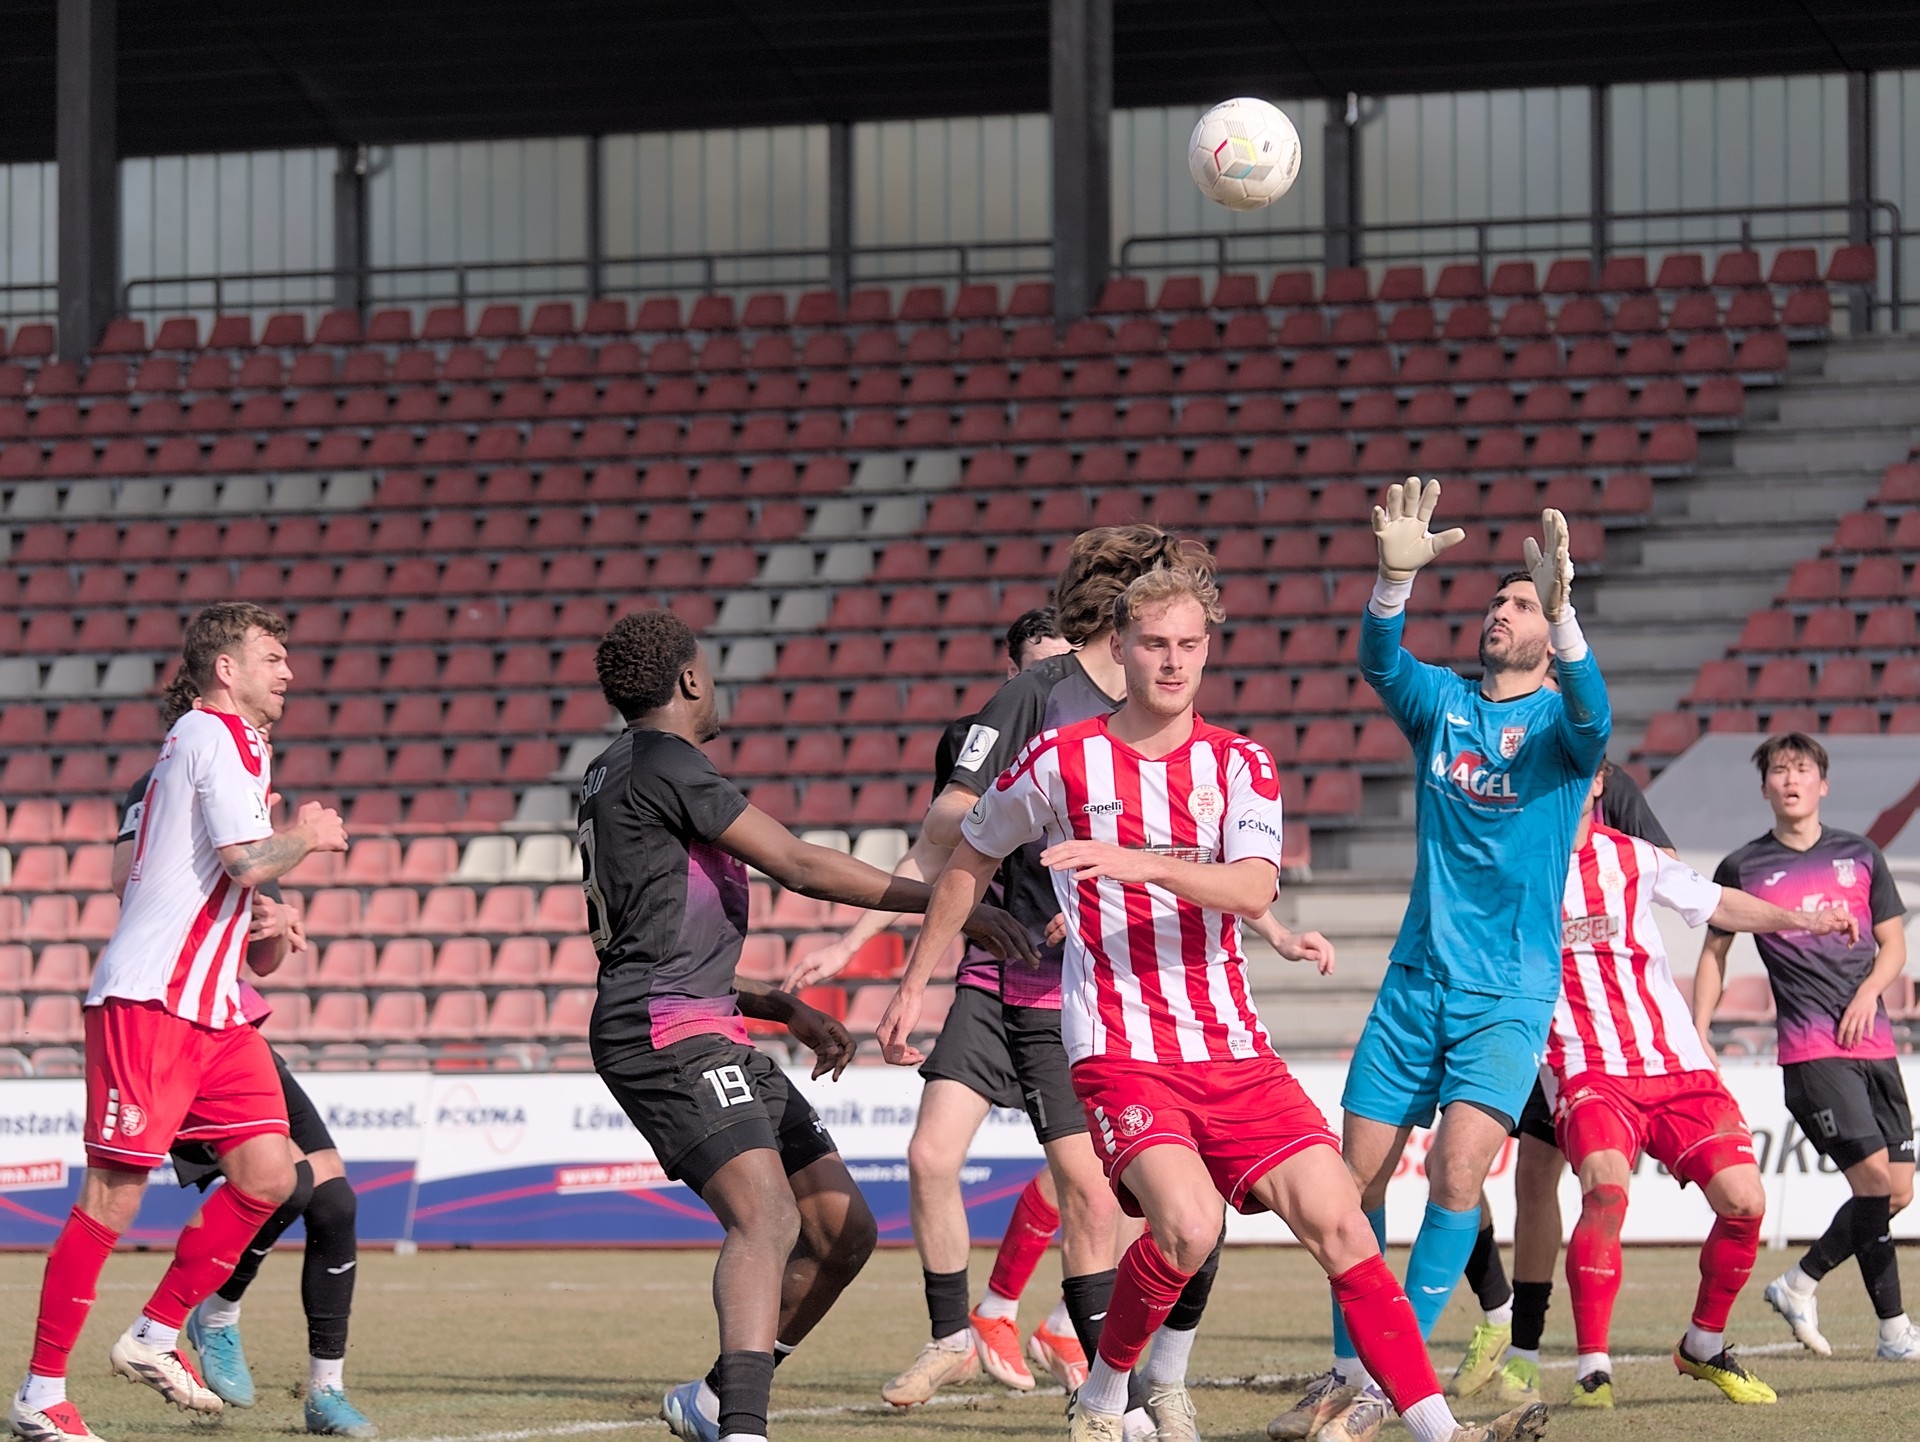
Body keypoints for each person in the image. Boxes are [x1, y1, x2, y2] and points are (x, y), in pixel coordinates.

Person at [879, 560, 1545, 1442]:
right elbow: (969, 852)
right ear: (1120, 647)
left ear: (1206, 650)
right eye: (1154, 643)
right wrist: (916, 981)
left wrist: (1139, 862)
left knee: (1342, 1223)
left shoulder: (1240, 762)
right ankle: (1109, 1394)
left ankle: (1439, 1434)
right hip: (1119, 1046)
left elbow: (1254, 884)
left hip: (1232, 1048)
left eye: (1189, 644)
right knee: (1188, 1227)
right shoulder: (1059, 759)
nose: (1172, 661)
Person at [581, 609, 1035, 1442]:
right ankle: (744, 1428)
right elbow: (799, 864)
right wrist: (952, 902)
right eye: (708, 670)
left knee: (840, 1229)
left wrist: (783, 1005)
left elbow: (657, 937)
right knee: (767, 1217)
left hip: (701, 1018)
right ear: (689, 678)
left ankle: (711, 1400)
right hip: (667, 1031)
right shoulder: (668, 763)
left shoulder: (615, 770)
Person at [815, 527, 1227, 1437]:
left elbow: (1192, 850)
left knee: (1111, 1201)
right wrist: (872, 954)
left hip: (1093, 992)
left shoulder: (1159, 712)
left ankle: (1108, 1376)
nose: (1173, 644)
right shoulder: (1033, 698)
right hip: (1002, 974)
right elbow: (945, 835)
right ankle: (972, 1339)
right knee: (942, 1159)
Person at [1276, 480, 1608, 1442]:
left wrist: (1568, 619)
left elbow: (1596, 718)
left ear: (1547, 628)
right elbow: (1380, 662)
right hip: (1414, 985)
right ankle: (1347, 1372)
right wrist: (1392, 582)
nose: (1500, 613)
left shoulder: (1561, 732)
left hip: (1507, 995)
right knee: (1350, 1185)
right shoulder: (1445, 706)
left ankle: (1391, 1386)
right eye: (1498, 601)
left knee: (1459, 1176)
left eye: (1520, 605)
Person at [10, 603, 349, 1442]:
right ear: (226, 668)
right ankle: (40, 1393)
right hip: (152, 1001)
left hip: (214, 1011)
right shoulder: (207, 733)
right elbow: (244, 859)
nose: (289, 671)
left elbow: (228, 875)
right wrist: (306, 835)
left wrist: (267, 916)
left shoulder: (241, 746)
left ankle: (157, 1333)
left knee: (271, 1176)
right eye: (273, 656)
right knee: (112, 1197)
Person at [784, 608, 1092, 1397]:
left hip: (1077, 992)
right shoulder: (971, 744)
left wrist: (1098, 907)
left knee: (1093, 1186)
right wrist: (850, 947)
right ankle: (955, 1336)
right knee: (928, 1157)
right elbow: (931, 855)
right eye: (1038, 668)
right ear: (1010, 675)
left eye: (1063, 664)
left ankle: (1070, 1333)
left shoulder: (1106, 739)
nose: (1051, 681)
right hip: (991, 980)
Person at [109, 670, 375, 1438]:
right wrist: (272, 867)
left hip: (237, 1022)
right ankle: (210, 1316)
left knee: (335, 1202)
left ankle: (324, 1391)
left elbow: (259, 960)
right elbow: (130, 892)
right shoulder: (156, 787)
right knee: (283, 1185)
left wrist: (274, 926)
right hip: (179, 1024)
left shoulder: (250, 793)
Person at [1546, 766, 1858, 1407]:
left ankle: (1704, 1344)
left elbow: (1718, 903)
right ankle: (1593, 1368)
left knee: (1745, 1202)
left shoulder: (1636, 856)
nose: (1568, 781)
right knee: (1604, 1187)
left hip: (1677, 1066)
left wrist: (1803, 919)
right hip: (1589, 1066)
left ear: (1600, 783)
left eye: (1580, 770)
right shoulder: (1521, 866)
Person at [1450, 762, 1676, 1406]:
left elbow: (1663, 867)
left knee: (1546, 1180)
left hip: (1580, 1026)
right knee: (1464, 1169)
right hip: (1507, 1009)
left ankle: (1540, 1348)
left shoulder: (1602, 779)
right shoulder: (1499, 776)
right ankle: (1501, 1316)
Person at [1696, 732, 1919, 1361]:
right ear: (1764, 786)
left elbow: (1894, 945)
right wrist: (1700, 1029)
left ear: (1823, 783)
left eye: (1801, 769)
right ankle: (1893, 1331)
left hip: (1874, 1044)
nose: (1790, 779)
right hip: (1811, 1051)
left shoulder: (1861, 854)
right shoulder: (1742, 868)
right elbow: (1714, 954)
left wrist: (1869, 992)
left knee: (1897, 1191)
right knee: (1873, 1181)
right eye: (1779, 770)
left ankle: (1802, 1283)